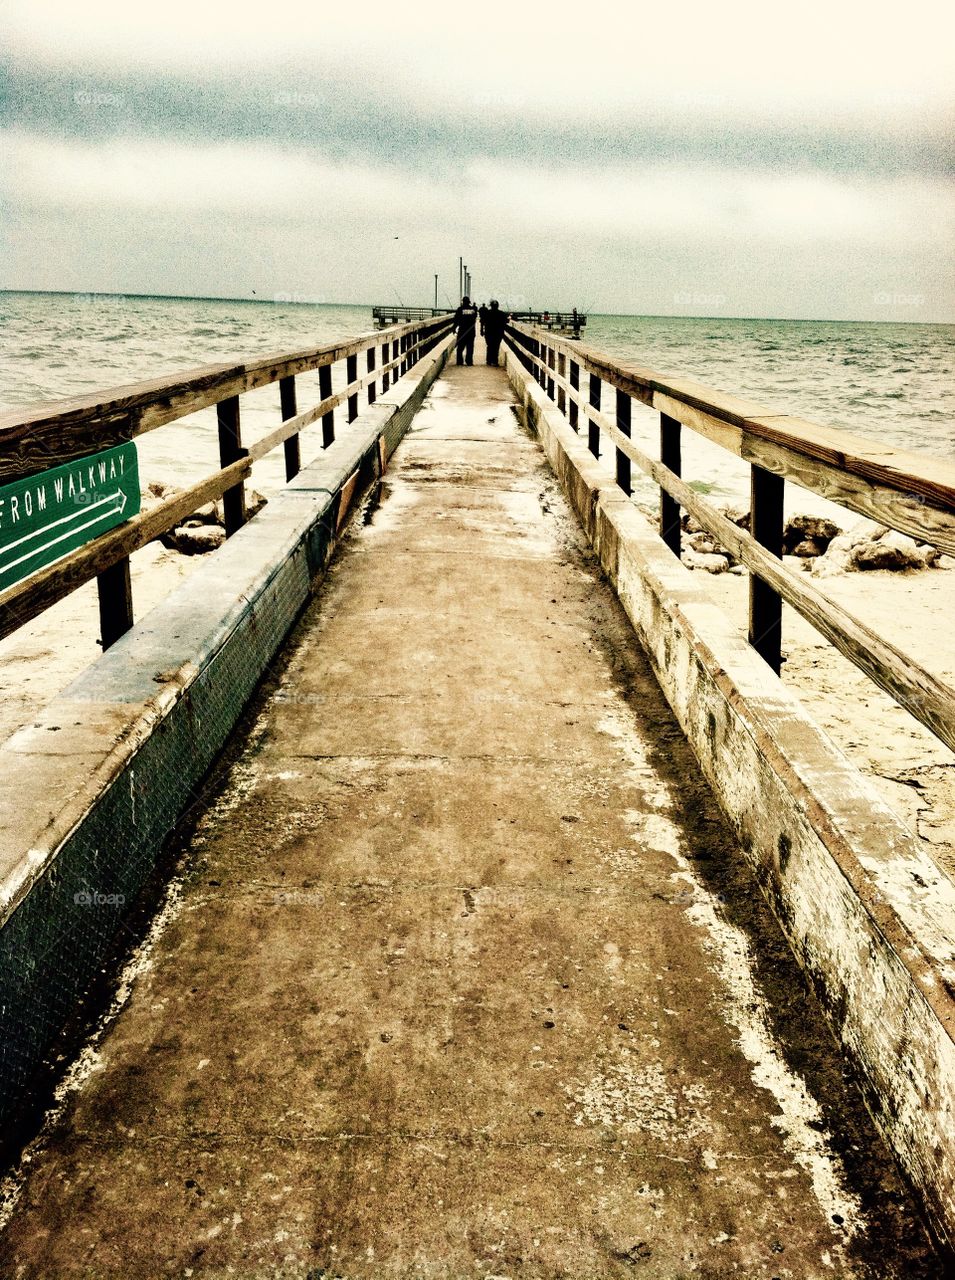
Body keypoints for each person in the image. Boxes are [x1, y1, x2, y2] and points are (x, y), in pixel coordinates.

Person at [453, 296, 479, 366]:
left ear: (463, 302)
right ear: (469, 302)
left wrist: (454, 328)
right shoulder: (473, 309)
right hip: (471, 331)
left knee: (460, 348)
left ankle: (459, 361)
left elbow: (456, 320)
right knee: (470, 347)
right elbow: (475, 317)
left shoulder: (460, 309)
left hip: (462, 331)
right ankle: (469, 361)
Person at [483, 300, 509, 367]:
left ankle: (489, 360)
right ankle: (495, 361)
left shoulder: (487, 313)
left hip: (488, 333)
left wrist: (481, 330)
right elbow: (506, 321)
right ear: (498, 306)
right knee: (496, 347)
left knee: (489, 346)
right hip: (498, 333)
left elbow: (482, 321)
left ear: (491, 306)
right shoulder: (501, 313)